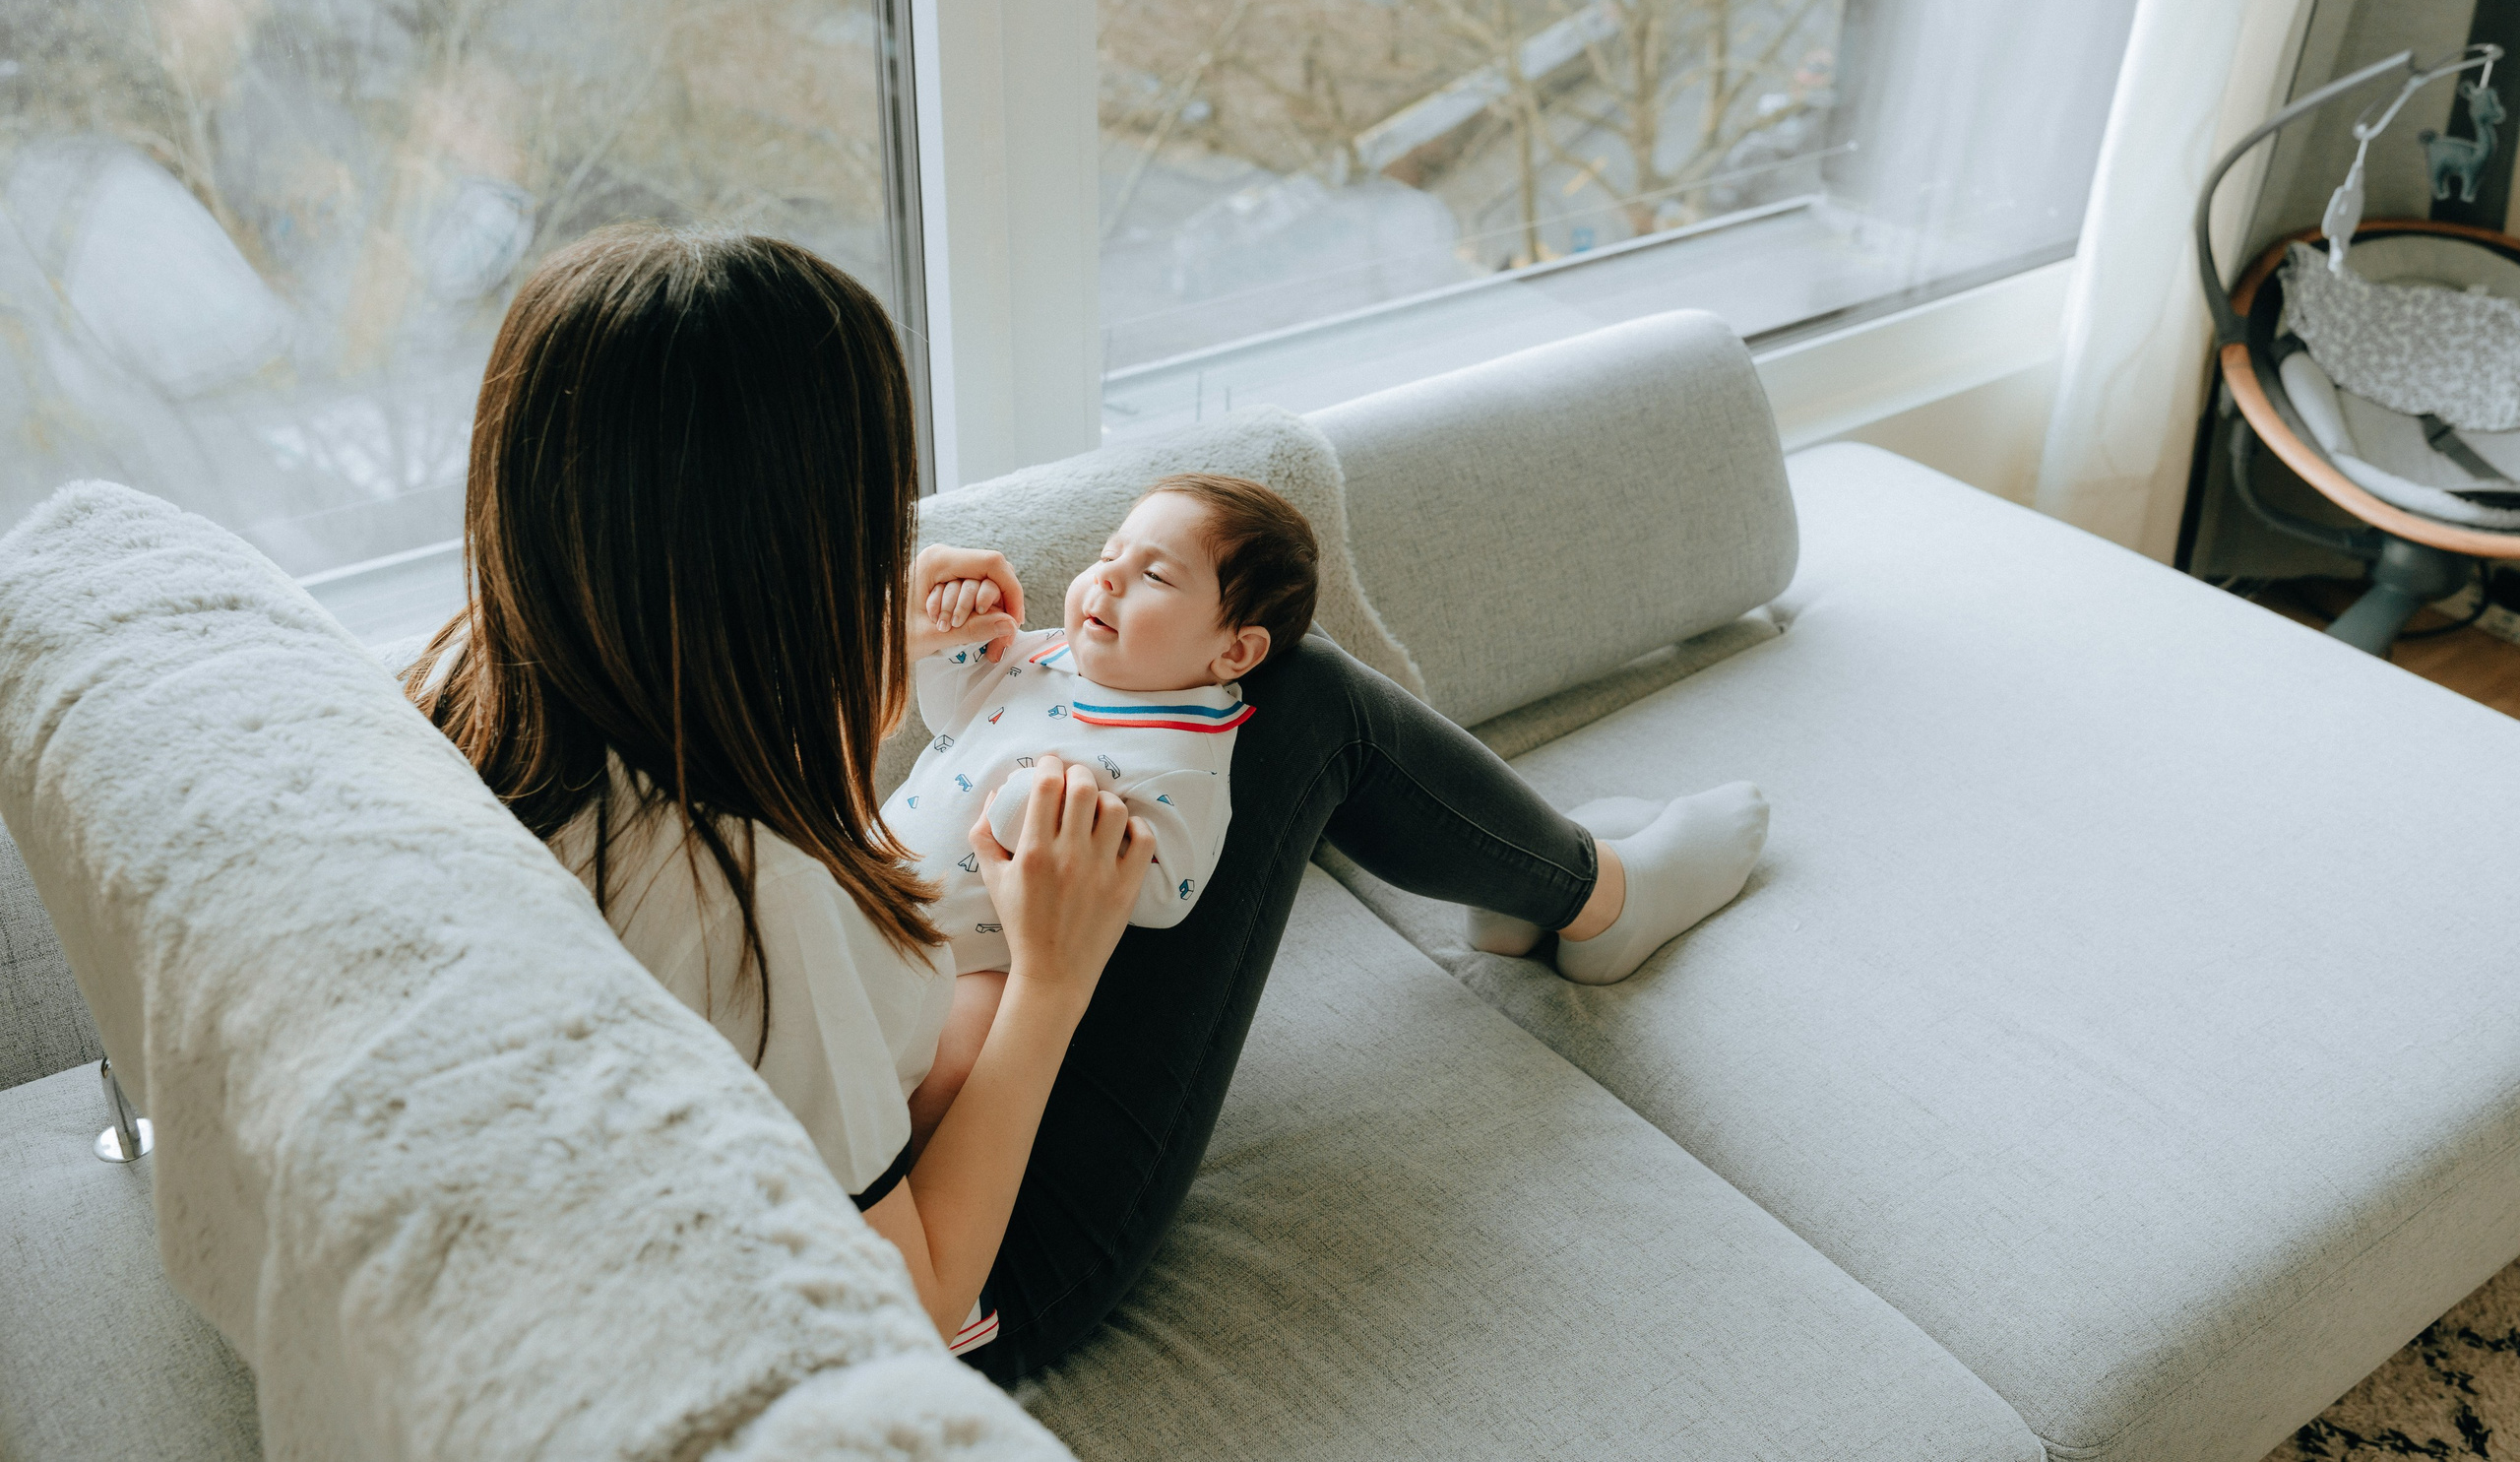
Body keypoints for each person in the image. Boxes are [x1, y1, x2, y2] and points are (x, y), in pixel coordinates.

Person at [406, 223, 1770, 1381]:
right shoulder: (740, 895)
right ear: (773, 545)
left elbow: (771, 823)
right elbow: (918, 1299)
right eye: (868, 514)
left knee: (1264, 710)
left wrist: (881, 667)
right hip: (993, 1265)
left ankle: (1572, 887)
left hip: (895, 1059)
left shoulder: (477, 689)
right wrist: (1052, 973)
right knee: (1303, 703)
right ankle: (1606, 897)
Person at [889, 473, 1317, 1145]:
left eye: (1155, 575)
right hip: (872, 870)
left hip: (976, 960)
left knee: (960, 1058)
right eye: (1109, 553)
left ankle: (906, 1162)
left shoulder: (1185, 752)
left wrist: (1055, 817)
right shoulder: (1042, 653)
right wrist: (954, 643)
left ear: (1232, 650)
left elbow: (1168, 890)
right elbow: (953, 715)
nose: (1108, 578)